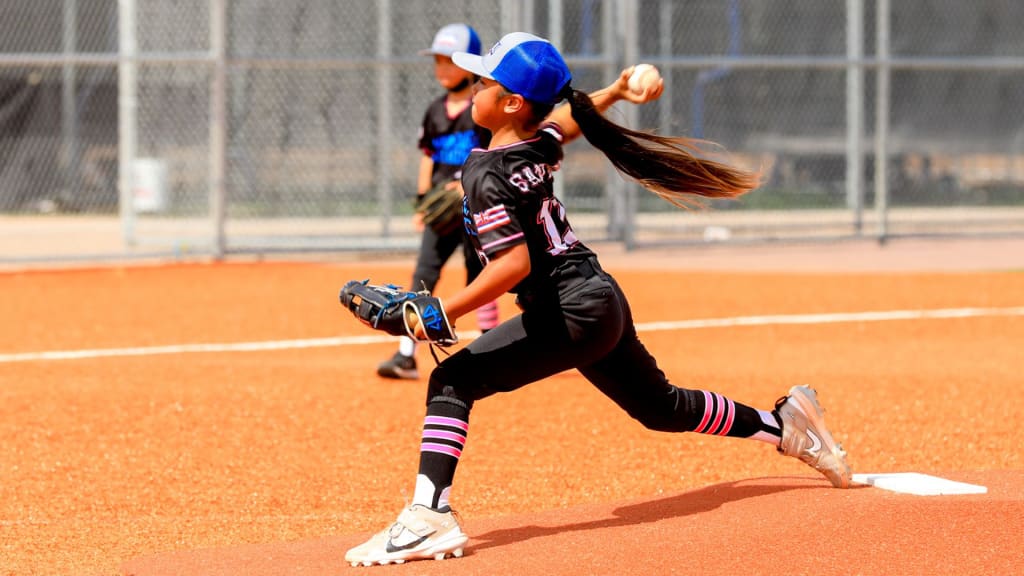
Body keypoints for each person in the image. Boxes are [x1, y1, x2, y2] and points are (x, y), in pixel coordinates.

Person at [345, 32, 852, 567]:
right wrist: (614, 91)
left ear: (512, 102)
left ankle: (428, 516)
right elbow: (565, 123)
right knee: (661, 407)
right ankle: (786, 426)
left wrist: (442, 310)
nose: (475, 87)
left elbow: (512, 264)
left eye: (486, 81)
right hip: (596, 298)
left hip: (569, 310)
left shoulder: (485, 170)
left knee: (452, 380)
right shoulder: (530, 145)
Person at [376, 23, 501, 380]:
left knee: (478, 277)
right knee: (423, 275)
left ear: (470, 64)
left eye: (450, 61)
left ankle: (492, 345)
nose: (442, 68)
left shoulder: (483, 108)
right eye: (438, 61)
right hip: (440, 211)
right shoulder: (434, 111)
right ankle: (405, 354)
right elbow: (428, 157)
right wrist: (420, 202)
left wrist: (468, 186)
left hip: (474, 207)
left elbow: (493, 150)